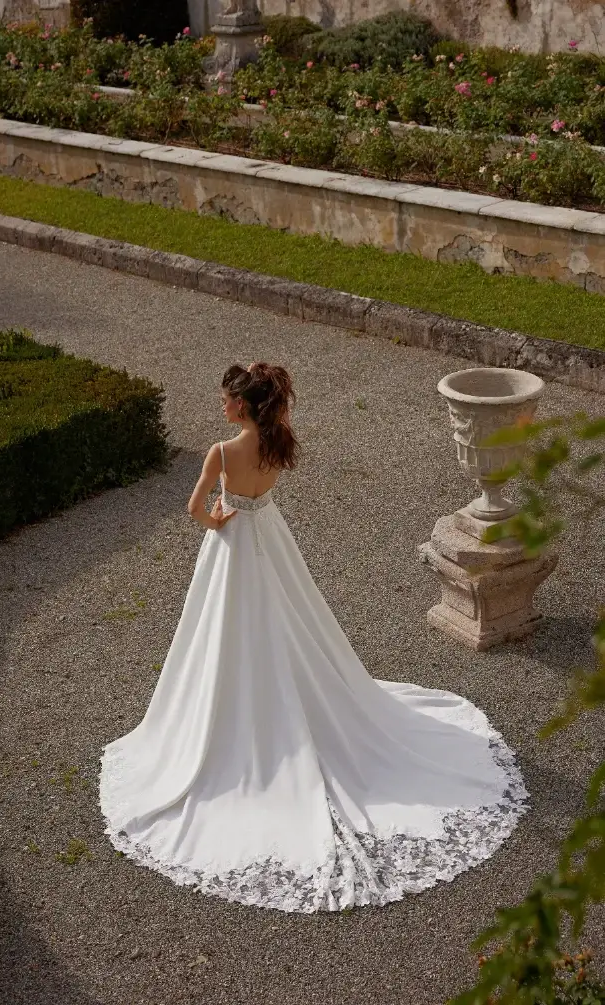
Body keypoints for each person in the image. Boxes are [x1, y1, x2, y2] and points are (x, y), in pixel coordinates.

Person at [99, 362, 527, 913]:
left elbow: (195, 510)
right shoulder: (277, 444)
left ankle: (238, 711)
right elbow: (261, 491)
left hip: (234, 545)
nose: (222, 406)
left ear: (241, 406)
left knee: (227, 629)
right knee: (292, 617)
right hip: (271, 536)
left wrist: (219, 521)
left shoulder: (221, 453)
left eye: (226, 400)